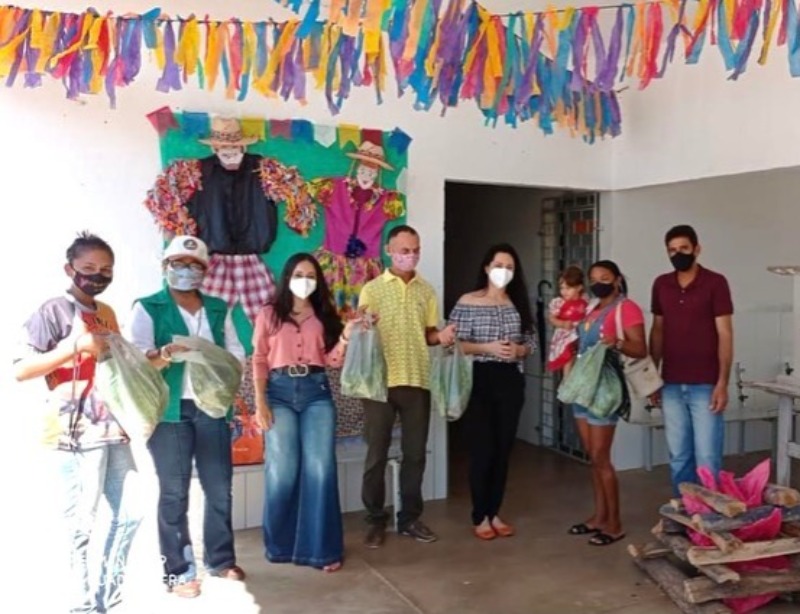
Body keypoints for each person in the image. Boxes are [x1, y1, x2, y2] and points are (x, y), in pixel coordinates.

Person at [13, 231, 142, 613]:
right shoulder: (53, 311)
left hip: (111, 427)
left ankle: (107, 600)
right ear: (69, 269)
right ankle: (81, 606)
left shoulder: (107, 313)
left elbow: (115, 364)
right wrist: (75, 346)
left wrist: (159, 357)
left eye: (106, 269)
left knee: (131, 514)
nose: (98, 275)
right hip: (72, 433)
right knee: (80, 528)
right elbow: (21, 369)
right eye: (89, 268)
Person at [126, 235, 246, 599]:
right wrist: (164, 354)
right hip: (169, 409)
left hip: (212, 406)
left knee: (219, 486)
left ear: (205, 271)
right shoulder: (148, 307)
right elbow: (137, 360)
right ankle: (179, 571)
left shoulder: (218, 308)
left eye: (195, 265)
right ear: (166, 266)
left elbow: (236, 352)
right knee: (174, 491)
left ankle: (220, 559)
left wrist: (220, 363)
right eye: (179, 263)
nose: (187, 271)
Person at [252, 253, 360, 572]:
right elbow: (259, 358)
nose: (305, 281)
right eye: (299, 274)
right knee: (282, 470)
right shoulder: (269, 313)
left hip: (316, 393)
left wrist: (345, 337)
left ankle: (322, 551)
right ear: (287, 277)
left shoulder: (324, 315)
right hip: (279, 393)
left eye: (311, 276)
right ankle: (280, 546)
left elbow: (332, 362)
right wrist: (260, 402)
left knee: (320, 469)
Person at [358, 225, 456, 548]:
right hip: (379, 382)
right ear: (389, 250)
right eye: (404, 250)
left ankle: (410, 518)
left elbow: (428, 334)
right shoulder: (372, 289)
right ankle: (375, 520)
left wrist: (441, 337)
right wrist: (363, 325)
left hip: (417, 379)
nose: (410, 256)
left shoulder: (426, 291)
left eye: (415, 250)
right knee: (376, 455)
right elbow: (361, 330)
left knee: (415, 455)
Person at [448, 244, 536, 540]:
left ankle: (494, 511)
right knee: (482, 449)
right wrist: (486, 347)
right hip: (478, 378)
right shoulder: (468, 301)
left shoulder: (518, 302)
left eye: (509, 267)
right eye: (498, 265)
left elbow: (532, 343)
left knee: (502, 449)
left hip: (510, 379)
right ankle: (480, 515)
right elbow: (453, 344)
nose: (503, 272)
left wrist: (519, 350)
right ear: (486, 268)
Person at [567, 260, 647, 546]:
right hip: (583, 387)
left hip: (605, 387)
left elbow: (640, 347)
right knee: (594, 458)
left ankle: (614, 525)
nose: (598, 283)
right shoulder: (591, 308)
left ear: (617, 279)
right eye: (593, 278)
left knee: (602, 458)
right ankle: (599, 517)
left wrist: (618, 342)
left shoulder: (627, 308)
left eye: (604, 277)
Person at [649, 225, 734, 494]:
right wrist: (651, 377)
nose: (678, 254)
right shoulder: (661, 284)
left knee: (707, 457)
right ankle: (685, 511)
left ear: (697, 249)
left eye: (684, 248)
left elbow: (725, 334)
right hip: (671, 382)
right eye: (672, 250)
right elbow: (658, 330)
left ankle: (709, 515)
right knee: (679, 457)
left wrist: (722, 383)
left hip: (706, 384)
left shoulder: (715, 282)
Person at [547, 265, 588, 375]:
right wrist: (562, 323)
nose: (564, 292)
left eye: (568, 288)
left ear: (579, 287)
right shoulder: (559, 302)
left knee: (579, 360)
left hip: (580, 334)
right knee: (568, 360)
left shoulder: (585, 300)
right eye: (562, 288)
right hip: (566, 336)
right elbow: (551, 318)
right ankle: (567, 382)